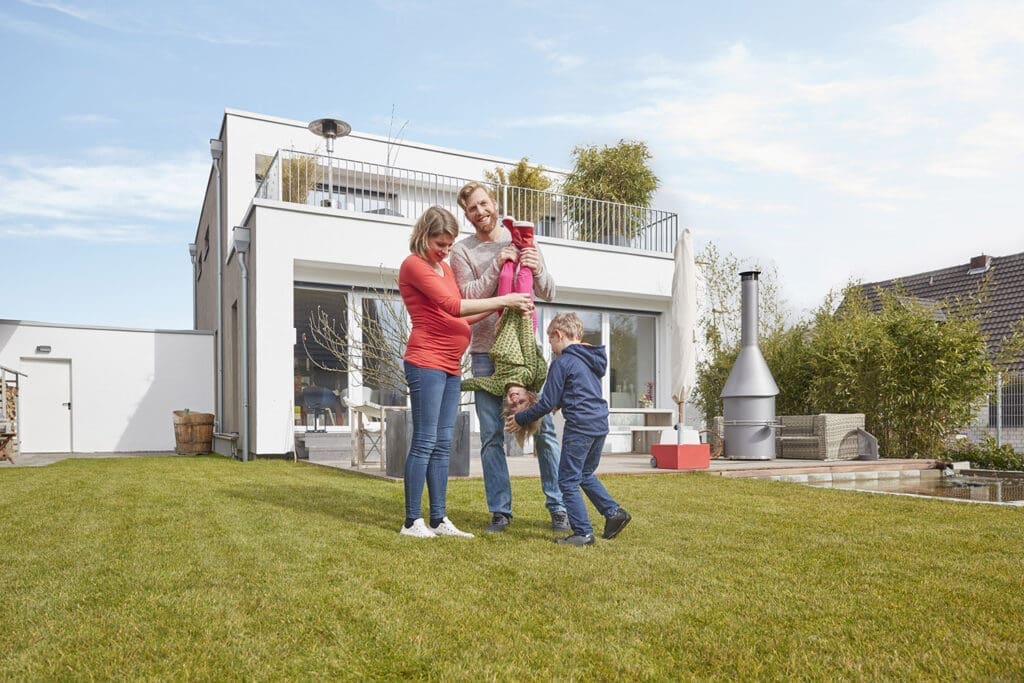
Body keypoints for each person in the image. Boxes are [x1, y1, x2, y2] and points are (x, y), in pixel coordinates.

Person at [398, 206, 534, 539]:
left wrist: (504, 305)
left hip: (450, 364)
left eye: (448, 244)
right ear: (423, 235)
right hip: (426, 360)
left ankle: (439, 518)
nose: (445, 250)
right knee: (425, 441)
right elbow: (453, 307)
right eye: (439, 243)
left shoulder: (443, 268)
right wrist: (504, 298)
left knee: (444, 443)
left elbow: (459, 319)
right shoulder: (414, 265)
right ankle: (411, 521)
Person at [451, 182, 570, 534]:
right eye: (472, 208)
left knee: (545, 432)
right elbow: (465, 298)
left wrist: (538, 267)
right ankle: (500, 511)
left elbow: (548, 290)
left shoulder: (523, 240)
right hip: (486, 354)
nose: (480, 212)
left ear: (494, 202)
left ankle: (559, 506)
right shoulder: (463, 252)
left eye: (483, 204)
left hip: (523, 353)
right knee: (491, 436)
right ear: (467, 214)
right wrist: (496, 267)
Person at [506, 313, 632, 546]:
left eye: (550, 340)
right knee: (583, 474)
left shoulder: (562, 362)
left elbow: (545, 402)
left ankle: (583, 533)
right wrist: (561, 402)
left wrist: (521, 418)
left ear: (559, 335)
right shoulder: (589, 360)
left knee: (567, 480)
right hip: (599, 424)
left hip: (580, 427)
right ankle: (614, 513)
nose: (551, 347)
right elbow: (579, 389)